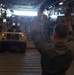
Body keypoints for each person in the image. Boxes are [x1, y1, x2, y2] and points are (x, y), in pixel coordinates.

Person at [31, 6, 74, 75]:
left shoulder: (46, 49)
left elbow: (35, 34)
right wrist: (68, 21)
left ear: (54, 34)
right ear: (66, 36)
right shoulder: (71, 49)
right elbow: (72, 37)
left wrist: (39, 16)